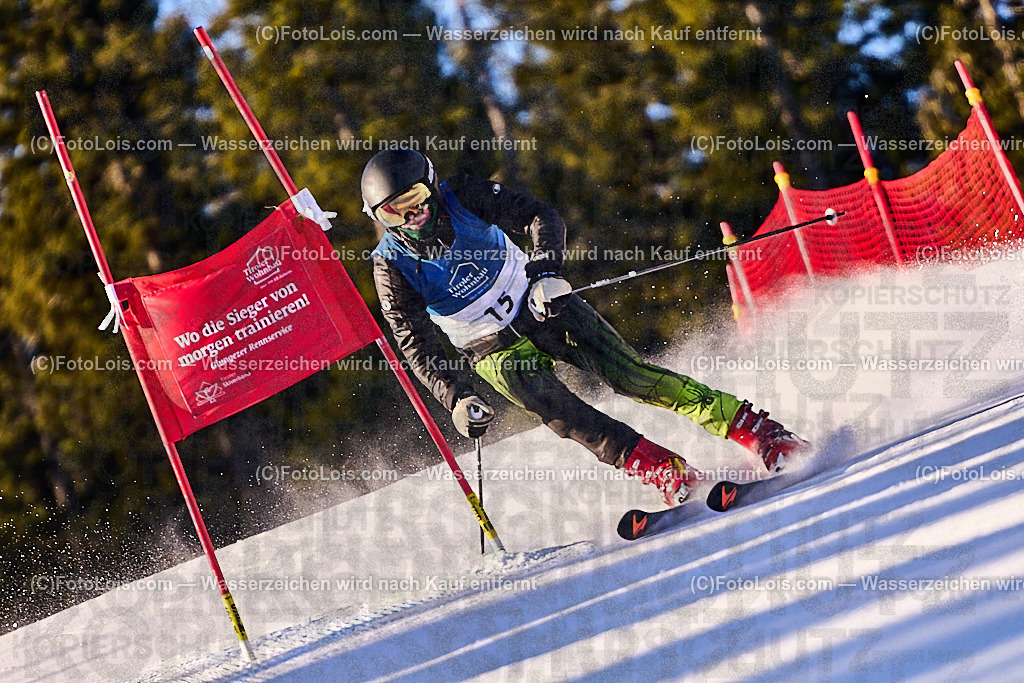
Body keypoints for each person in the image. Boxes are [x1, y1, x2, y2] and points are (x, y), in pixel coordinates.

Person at [362, 148, 805, 507]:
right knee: (569, 419)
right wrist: (456, 398)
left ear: (432, 184)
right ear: (379, 217)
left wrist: (545, 271)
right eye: (394, 212)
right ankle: (664, 469)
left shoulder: (462, 194)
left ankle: (760, 431)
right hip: (492, 350)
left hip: (540, 304)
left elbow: (539, 216)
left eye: (416, 197)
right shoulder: (390, 265)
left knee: (632, 377)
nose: (412, 215)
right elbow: (415, 343)